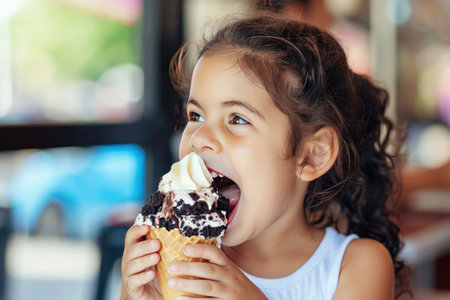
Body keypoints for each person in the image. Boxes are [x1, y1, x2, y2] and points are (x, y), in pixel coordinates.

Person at [120, 14, 409, 300]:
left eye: (237, 119)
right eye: (196, 115)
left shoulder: (356, 265)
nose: (198, 137)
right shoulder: (182, 264)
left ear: (312, 155)